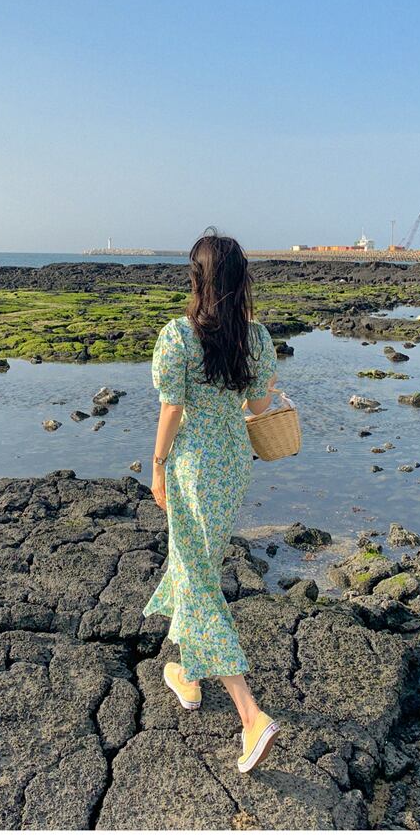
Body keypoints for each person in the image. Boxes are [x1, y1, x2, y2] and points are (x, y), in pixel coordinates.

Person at [142, 228, 280, 774]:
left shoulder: (179, 335)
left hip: (194, 467)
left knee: (198, 578)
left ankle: (251, 715)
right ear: (240, 280)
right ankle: (188, 675)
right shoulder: (256, 338)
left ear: (198, 279)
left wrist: (157, 465)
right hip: (233, 465)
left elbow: (172, 409)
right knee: (195, 565)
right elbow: (259, 405)